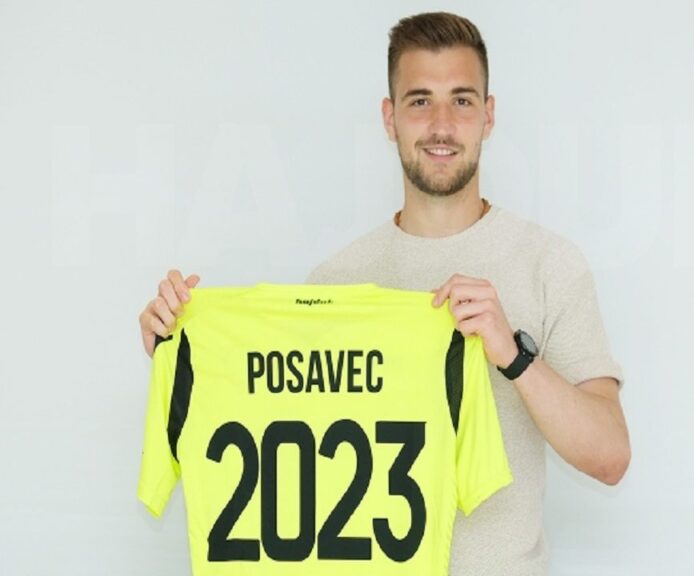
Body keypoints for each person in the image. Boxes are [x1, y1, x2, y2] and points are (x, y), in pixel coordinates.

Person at [137, 11, 629, 576]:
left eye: (462, 100)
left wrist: (513, 357)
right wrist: (185, 353)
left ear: (488, 116)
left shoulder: (549, 264)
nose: (441, 124)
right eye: (420, 101)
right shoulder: (334, 282)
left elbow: (611, 457)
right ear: (390, 118)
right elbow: (288, 458)